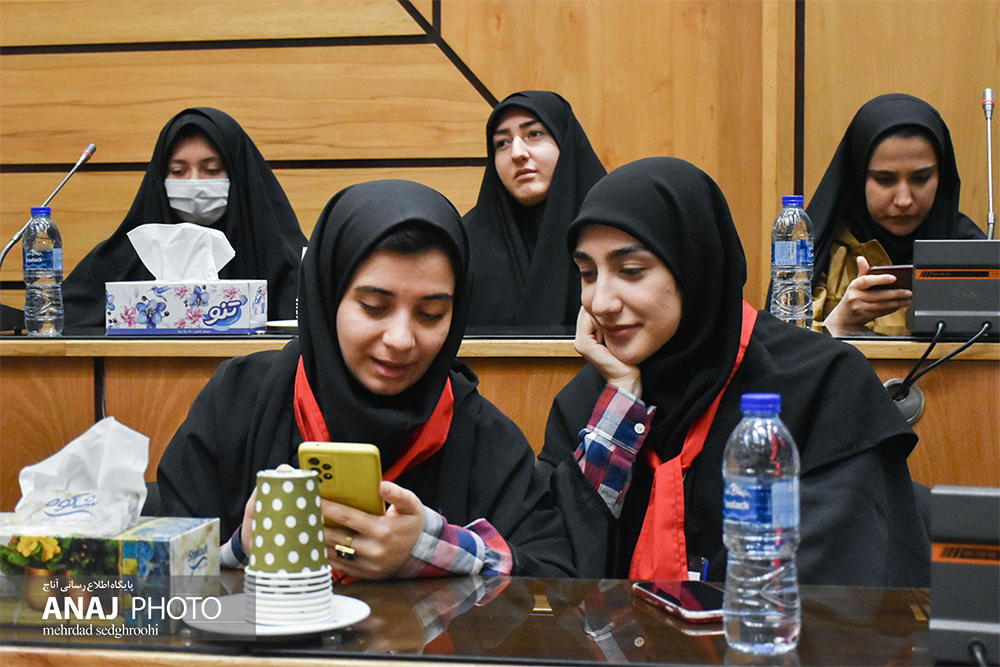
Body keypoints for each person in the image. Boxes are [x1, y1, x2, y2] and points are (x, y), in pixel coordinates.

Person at [537, 157, 930, 587]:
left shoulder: (822, 384)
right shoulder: (590, 401)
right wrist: (620, 408)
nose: (601, 302)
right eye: (587, 274)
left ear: (695, 266)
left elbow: (838, 587)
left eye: (631, 272)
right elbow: (556, 569)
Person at [155, 179, 574, 580]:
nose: (401, 339)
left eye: (431, 314)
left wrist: (431, 549)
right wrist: (241, 548)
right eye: (374, 306)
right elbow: (155, 568)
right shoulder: (236, 400)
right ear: (327, 295)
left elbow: (553, 577)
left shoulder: (482, 435)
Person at [62, 107, 307, 327]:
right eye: (178, 171)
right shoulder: (125, 259)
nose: (194, 184)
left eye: (211, 170)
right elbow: (57, 319)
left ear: (239, 175)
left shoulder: (282, 261)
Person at [807, 93, 985, 336]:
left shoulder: (971, 252)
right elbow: (782, 352)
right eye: (885, 179)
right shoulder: (820, 252)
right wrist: (838, 324)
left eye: (921, 178)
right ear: (858, 177)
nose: (904, 200)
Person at [464, 91, 606, 327]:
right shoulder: (465, 244)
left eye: (534, 134)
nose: (517, 153)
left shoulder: (611, 229)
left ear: (564, 142)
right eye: (502, 143)